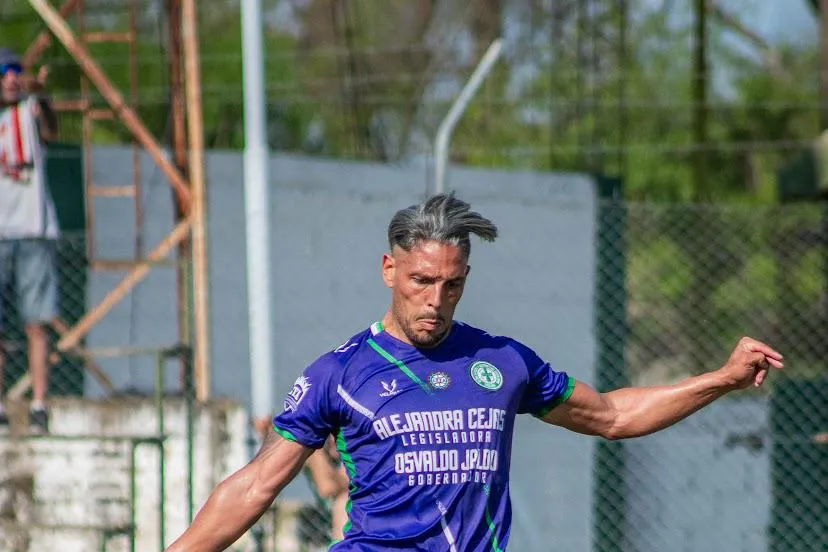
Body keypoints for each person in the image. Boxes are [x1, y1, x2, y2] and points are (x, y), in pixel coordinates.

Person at [166, 193, 784, 551]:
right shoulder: (340, 373)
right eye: (421, 282)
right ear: (389, 270)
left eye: (452, 285)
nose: (435, 301)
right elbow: (256, 485)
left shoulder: (501, 362)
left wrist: (722, 379)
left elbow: (614, 415)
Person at [0, 48, 60, 435]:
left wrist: (38, 89)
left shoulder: (30, 110)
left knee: (36, 322)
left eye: (16, 71)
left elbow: (52, 128)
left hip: (35, 232)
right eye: (6, 71)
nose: (12, 77)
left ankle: (39, 405)